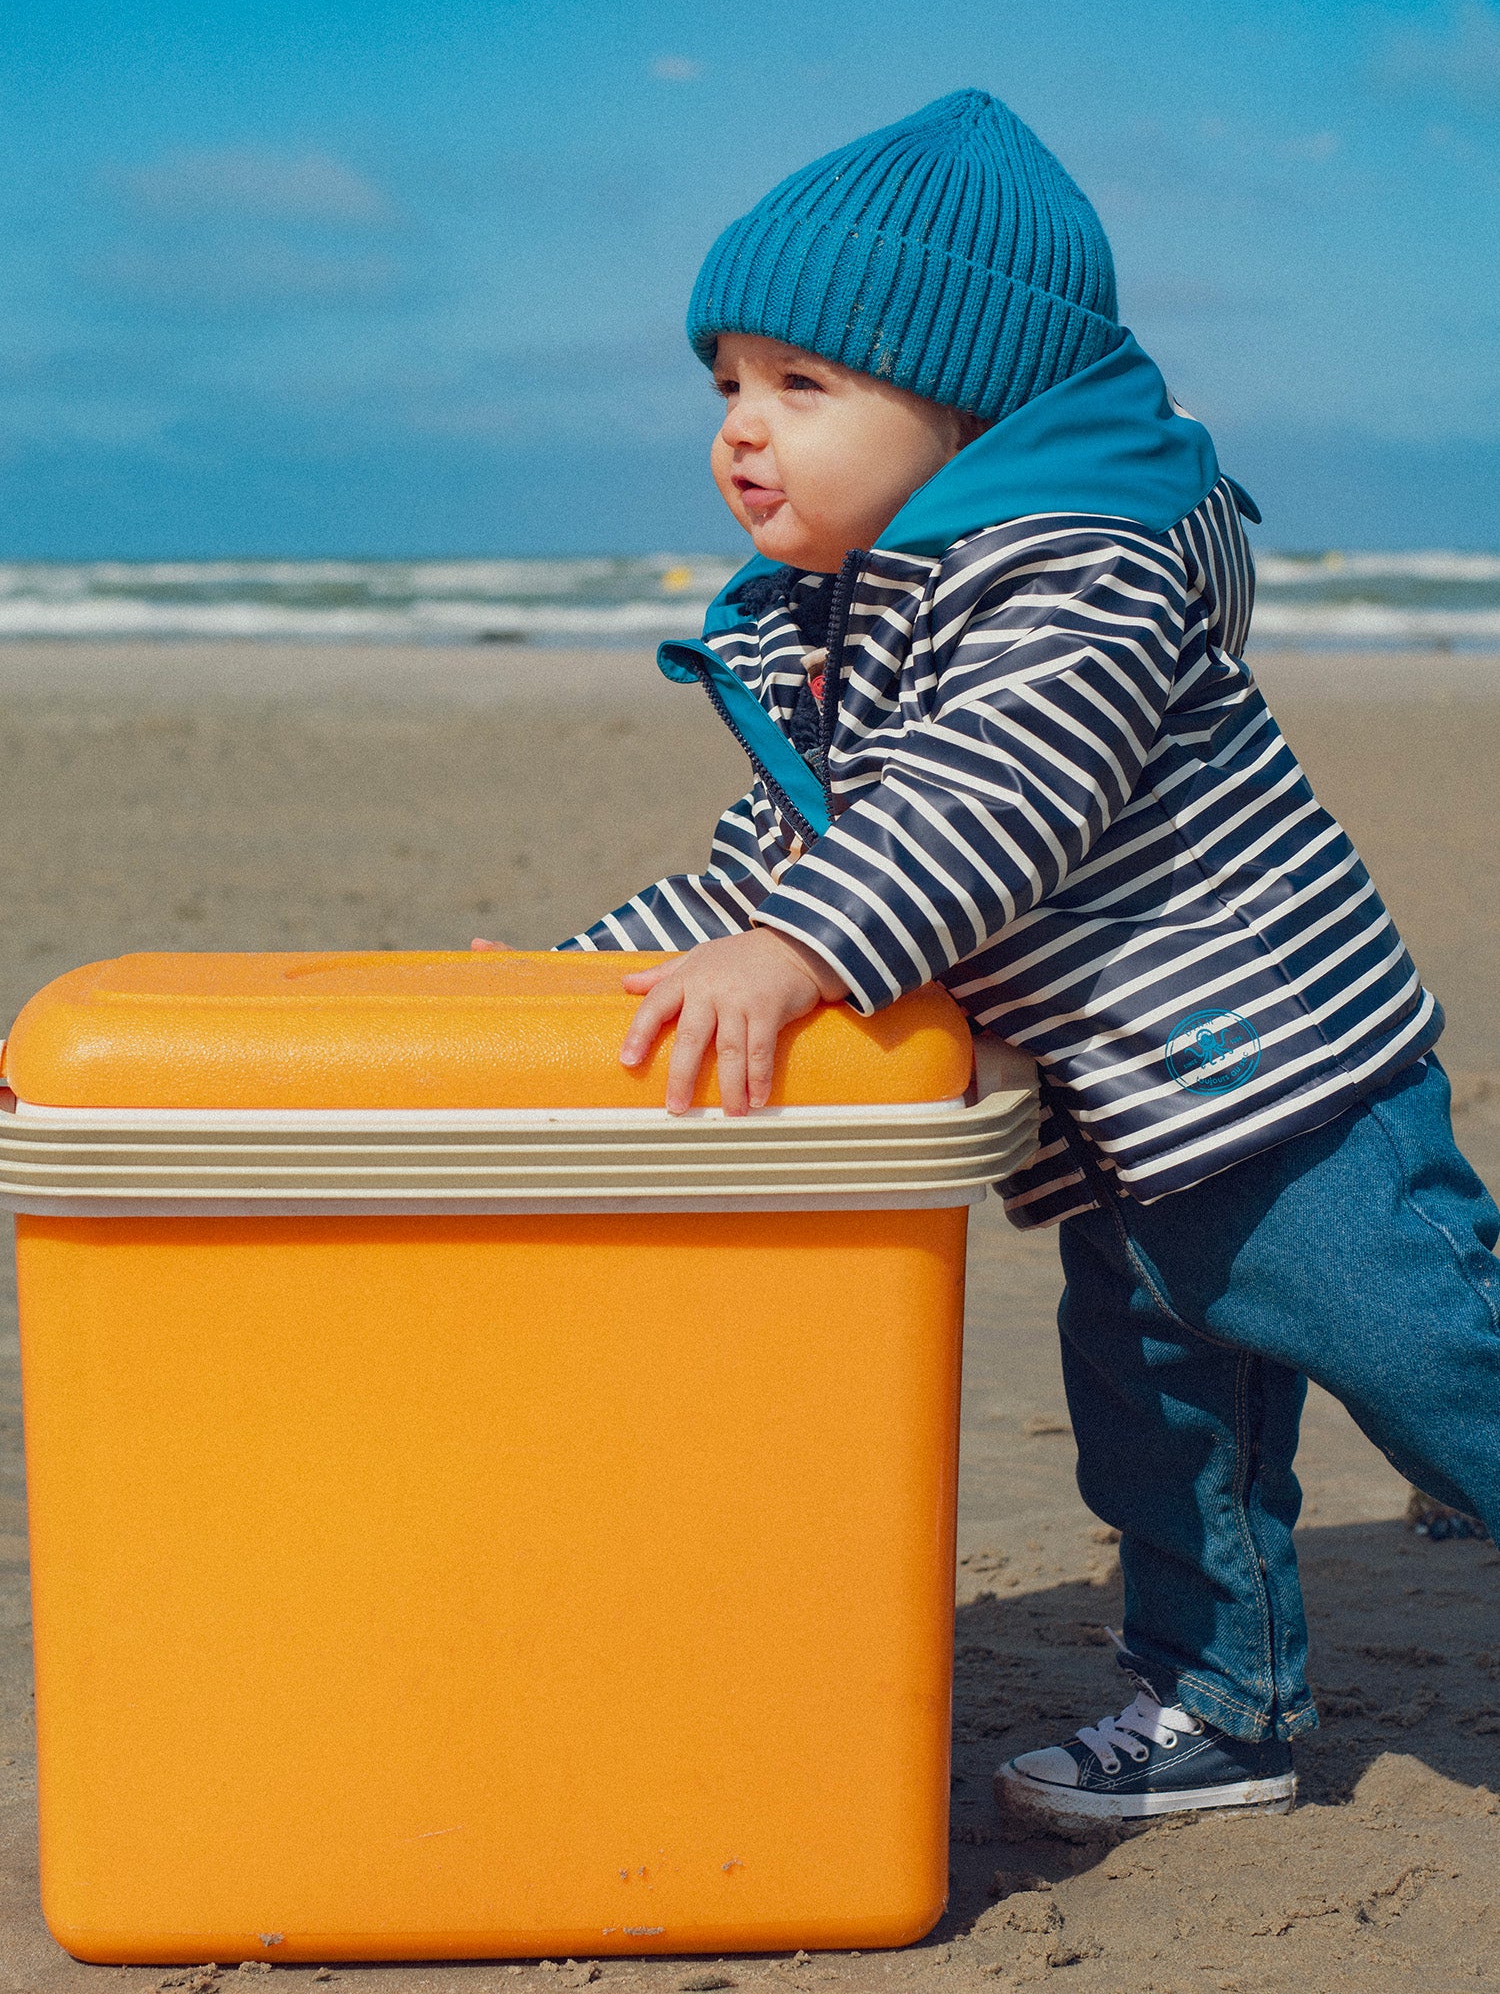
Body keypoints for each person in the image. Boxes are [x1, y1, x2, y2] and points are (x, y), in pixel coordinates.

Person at [485, 90, 1500, 1829]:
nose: (743, 428)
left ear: (970, 406)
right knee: (1159, 1430)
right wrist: (542, 994)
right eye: (726, 381)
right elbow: (785, 860)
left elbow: (992, 799)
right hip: (1120, 1134)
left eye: (806, 386)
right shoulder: (849, 613)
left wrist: (806, 950)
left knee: (1434, 1360)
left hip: (1279, 1084)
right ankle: (1220, 1707)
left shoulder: (1079, 572)